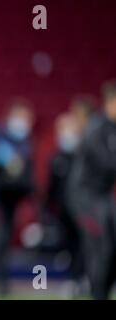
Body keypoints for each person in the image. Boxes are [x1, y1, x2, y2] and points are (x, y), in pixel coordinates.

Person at [0, 100, 36, 295]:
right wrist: (6, 168)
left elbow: (27, 173)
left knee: (4, 242)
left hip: (12, 200)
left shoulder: (24, 142)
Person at [67, 80, 116, 299]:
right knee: (100, 248)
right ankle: (97, 293)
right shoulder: (97, 129)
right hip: (86, 198)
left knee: (110, 247)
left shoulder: (110, 129)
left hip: (102, 197)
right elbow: (108, 162)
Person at [43, 112, 85, 295]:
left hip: (83, 209)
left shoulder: (83, 157)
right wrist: (47, 210)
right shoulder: (56, 158)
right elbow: (51, 189)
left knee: (85, 246)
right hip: (63, 212)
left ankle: (85, 278)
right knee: (68, 245)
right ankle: (72, 279)